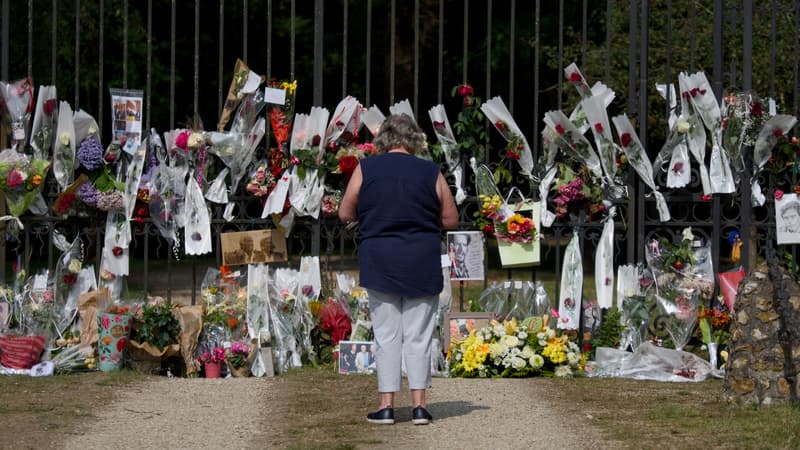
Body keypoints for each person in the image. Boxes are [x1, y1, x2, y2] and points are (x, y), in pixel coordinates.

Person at [338, 113, 458, 426]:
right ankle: (419, 406)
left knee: (387, 335)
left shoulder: (367, 168)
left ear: (384, 139)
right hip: (421, 259)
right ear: (414, 139)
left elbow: (344, 211)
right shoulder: (431, 171)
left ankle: (387, 406)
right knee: (418, 336)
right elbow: (450, 219)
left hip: (381, 259)